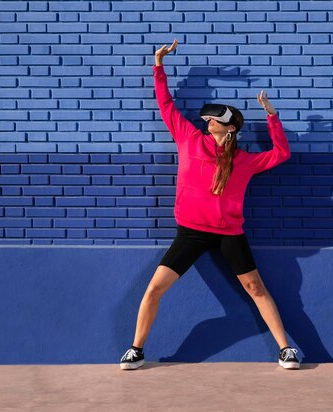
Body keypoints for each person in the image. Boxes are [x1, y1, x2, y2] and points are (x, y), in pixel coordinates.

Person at [120, 39, 300, 370]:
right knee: (154, 289)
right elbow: (166, 105)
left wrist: (273, 117)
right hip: (190, 233)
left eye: (214, 119)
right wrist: (158, 64)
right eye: (207, 118)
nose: (207, 121)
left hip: (229, 233)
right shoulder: (189, 139)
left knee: (256, 288)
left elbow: (281, 154)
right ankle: (136, 349)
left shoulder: (244, 161)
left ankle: (286, 349)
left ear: (230, 127)